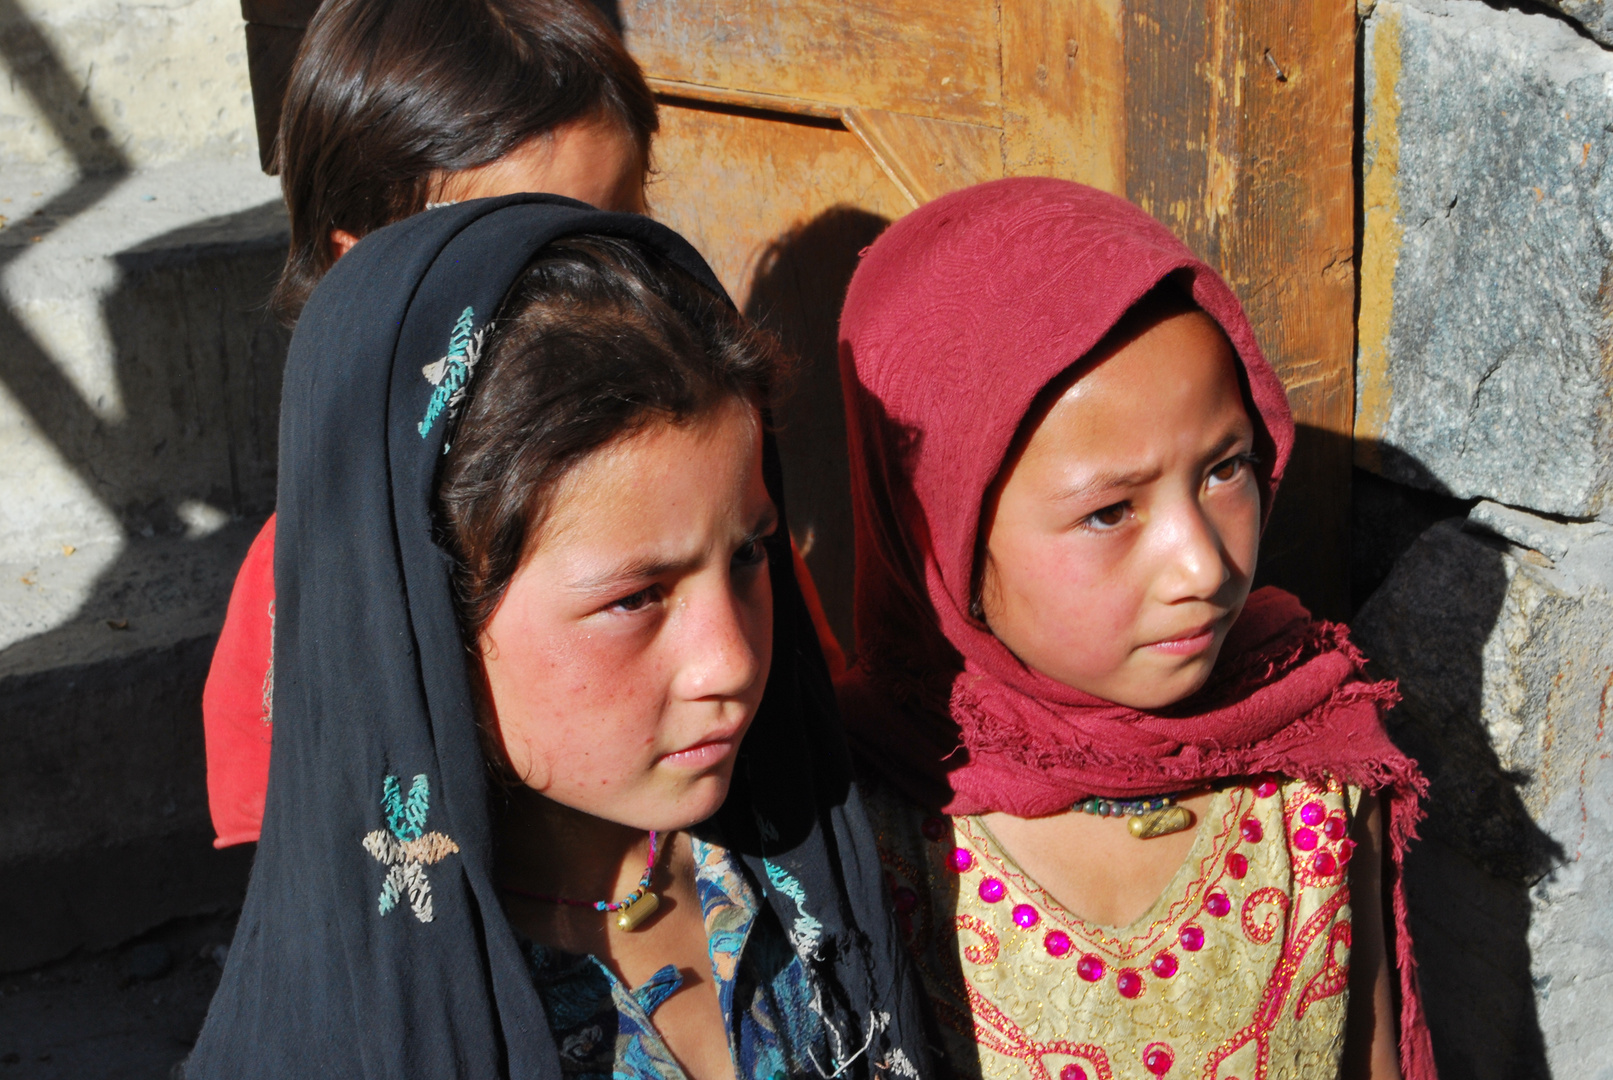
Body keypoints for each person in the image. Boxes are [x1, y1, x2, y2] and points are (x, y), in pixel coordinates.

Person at [188, 197, 928, 1080]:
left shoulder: (823, 873)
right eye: (635, 599)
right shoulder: (344, 1040)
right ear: (431, 617)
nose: (728, 661)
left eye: (747, 555)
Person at [835, 179, 1437, 1080]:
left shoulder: (1311, 768)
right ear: (940, 533)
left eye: (1226, 468)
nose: (1202, 567)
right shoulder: (859, 822)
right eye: (1110, 511)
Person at [203, 0, 843, 848]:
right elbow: (304, 875)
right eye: (525, 254)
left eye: (623, 227)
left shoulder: (717, 537)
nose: (606, 286)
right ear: (363, 269)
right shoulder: (309, 583)